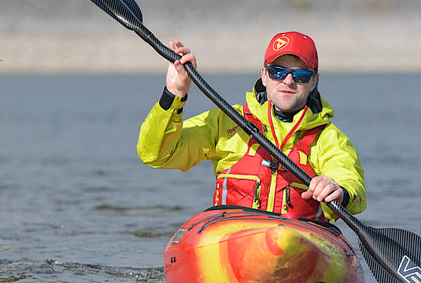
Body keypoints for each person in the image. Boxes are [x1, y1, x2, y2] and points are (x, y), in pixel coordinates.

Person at [137, 31, 365, 221]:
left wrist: (339, 191)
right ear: (264, 75)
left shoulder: (328, 138)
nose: (288, 81)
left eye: (301, 75)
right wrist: (174, 93)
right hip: (229, 241)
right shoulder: (226, 121)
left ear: (314, 81)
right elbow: (156, 154)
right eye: (277, 72)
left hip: (297, 247)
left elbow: (352, 186)